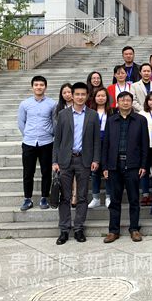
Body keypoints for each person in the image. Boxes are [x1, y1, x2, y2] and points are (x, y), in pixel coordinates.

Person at [52, 82, 101, 245]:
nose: (80, 97)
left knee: (82, 196)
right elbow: (57, 140)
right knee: (65, 197)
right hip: (65, 160)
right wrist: (55, 161)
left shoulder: (93, 115)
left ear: (87, 96)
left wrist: (96, 159)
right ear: (72, 96)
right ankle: (64, 230)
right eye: (77, 94)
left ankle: (79, 228)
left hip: (84, 160)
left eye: (83, 94)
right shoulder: (63, 114)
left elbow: (96, 140)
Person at [101, 91, 149, 243]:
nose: (125, 102)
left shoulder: (140, 120)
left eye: (128, 100)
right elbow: (106, 144)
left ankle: (134, 229)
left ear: (131, 102)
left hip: (133, 165)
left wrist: (143, 165)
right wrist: (105, 166)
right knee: (115, 200)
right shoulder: (111, 120)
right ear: (118, 102)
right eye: (122, 100)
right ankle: (113, 231)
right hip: (114, 165)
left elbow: (145, 144)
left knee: (134, 199)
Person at [18, 75, 57, 211]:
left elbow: (54, 122)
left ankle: (44, 197)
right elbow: (21, 122)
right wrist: (28, 134)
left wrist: (50, 134)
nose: (39, 87)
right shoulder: (25, 104)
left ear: (45, 87)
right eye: (36, 85)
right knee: (28, 172)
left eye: (41, 85)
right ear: (32, 87)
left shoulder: (52, 104)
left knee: (46, 171)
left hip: (46, 142)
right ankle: (27, 199)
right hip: (29, 143)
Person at [88, 88, 114, 209]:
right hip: (94, 142)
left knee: (108, 170)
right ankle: (96, 198)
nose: (101, 98)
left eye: (103, 96)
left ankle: (108, 197)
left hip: (108, 142)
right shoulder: (90, 111)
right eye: (98, 96)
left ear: (107, 98)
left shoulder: (112, 111)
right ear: (94, 98)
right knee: (95, 171)